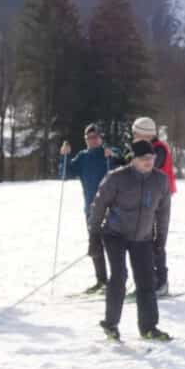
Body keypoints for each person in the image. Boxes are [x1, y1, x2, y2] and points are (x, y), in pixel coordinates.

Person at [86, 138, 171, 343]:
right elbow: (98, 206)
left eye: (151, 157)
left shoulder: (160, 180)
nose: (148, 162)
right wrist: (94, 236)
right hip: (115, 234)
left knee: (146, 280)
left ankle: (149, 327)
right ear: (133, 159)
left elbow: (163, 213)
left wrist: (160, 241)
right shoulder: (116, 178)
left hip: (142, 237)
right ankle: (111, 324)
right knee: (119, 276)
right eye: (143, 158)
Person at [59, 124, 118, 294]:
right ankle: (101, 281)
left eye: (95, 137)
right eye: (88, 138)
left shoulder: (108, 152)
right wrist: (64, 156)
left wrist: (113, 155)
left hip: (112, 209)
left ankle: (117, 280)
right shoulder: (82, 157)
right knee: (95, 246)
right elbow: (65, 174)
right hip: (91, 209)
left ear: (101, 138)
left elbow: (122, 161)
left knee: (113, 246)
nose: (92, 141)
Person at [127, 116, 176, 296]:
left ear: (145, 134)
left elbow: (150, 167)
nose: (134, 137)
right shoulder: (143, 148)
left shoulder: (159, 149)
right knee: (143, 240)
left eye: (136, 133)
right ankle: (147, 281)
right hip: (147, 197)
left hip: (159, 199)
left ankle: (161, 282)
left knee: (156, 240)